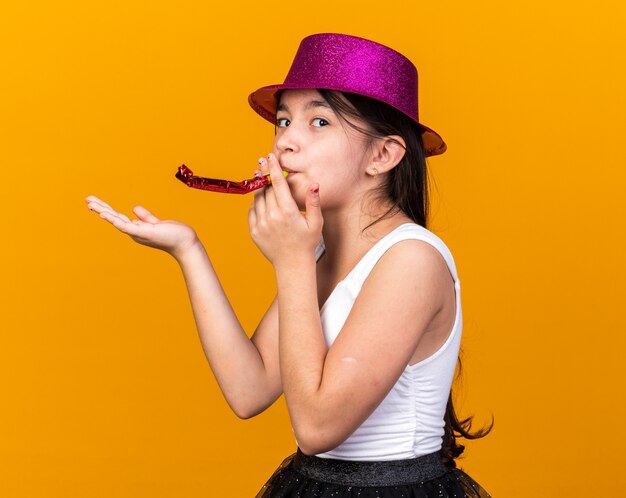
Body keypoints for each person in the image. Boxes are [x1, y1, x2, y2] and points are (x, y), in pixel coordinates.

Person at [86, 33, 493, 497]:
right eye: (283, 121)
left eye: (319, 120)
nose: (286, 142)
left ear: (382, 155)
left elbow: (318, 427)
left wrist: (294, 262)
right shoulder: (321, 252)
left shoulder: (411, 260)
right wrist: (188, 250)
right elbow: (249, 389)